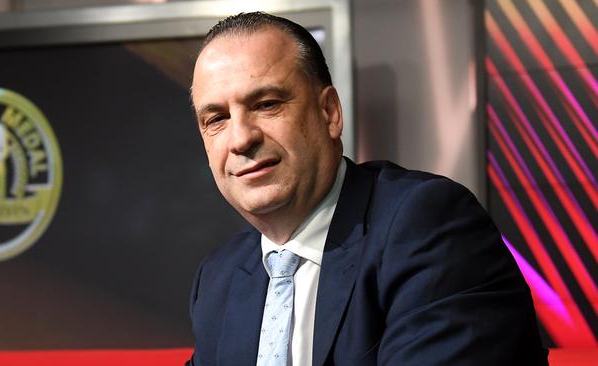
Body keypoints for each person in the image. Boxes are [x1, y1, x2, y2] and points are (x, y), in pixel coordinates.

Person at [187, 12, 548, 366]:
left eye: (267, 105)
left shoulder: (428, 225)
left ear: (329, 113)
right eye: (216, 119)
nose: (241, 138)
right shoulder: (219, 277)